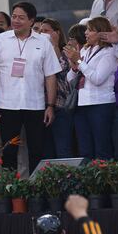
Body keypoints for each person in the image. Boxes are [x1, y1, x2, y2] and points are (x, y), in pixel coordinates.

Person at [0, 1, 61, 173]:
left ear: (31, 21)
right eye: (14, 16)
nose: (16, 21)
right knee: (9, 151)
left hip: (36, 104)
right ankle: (11, 194)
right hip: (7, 104)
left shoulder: (43, 42)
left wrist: (50, 105)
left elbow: (50, 76)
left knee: (37, 151)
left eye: (21, 18)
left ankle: (35, 194)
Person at [65, 17, 117, 160]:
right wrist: (74, 65)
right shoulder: (86, 50)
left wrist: (80, 61)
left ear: (101, 32)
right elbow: (70, 79)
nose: (86, 33)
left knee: (102, 149)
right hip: (82, 104)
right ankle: (88, 182)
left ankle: (105, 181)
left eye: (90, 30)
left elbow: (97, 79)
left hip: (101, 104)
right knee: (85, 150)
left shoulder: (109, 52)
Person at [40, 18, 73, 158]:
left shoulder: (67, 51)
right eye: (40, 31)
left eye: (46, 31)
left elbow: (62, 69)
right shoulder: (38, 51)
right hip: (42, 106)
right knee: (47, 151)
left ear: (57, 32)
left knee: (63, 149)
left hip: (61, 107)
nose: (42, 34)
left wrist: (54, 45)